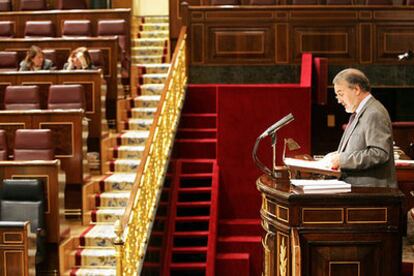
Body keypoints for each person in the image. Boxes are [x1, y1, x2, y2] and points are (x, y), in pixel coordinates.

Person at [322, 68, 396, 187]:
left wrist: (342, 159)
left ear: (356, 89)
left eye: (341, 94)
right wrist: (335, 156)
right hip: (360, 190)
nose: (339, 100)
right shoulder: (362, 112)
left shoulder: (374, 113)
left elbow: (379, 153)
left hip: (372, 192)